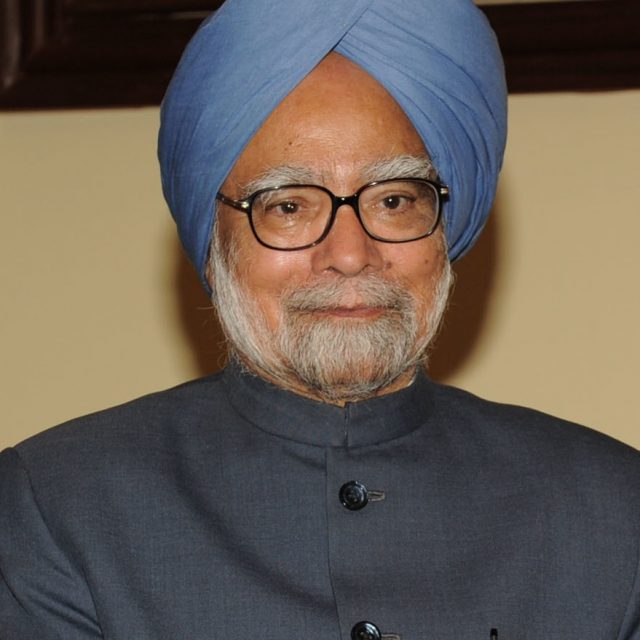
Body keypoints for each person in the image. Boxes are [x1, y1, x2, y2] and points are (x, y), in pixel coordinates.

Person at [1, 0, 639, 638]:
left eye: (393, 200)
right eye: (288, 207)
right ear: (214, 236)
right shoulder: (57, 509)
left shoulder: (614, 512)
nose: (350, 254)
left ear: (444, 228)